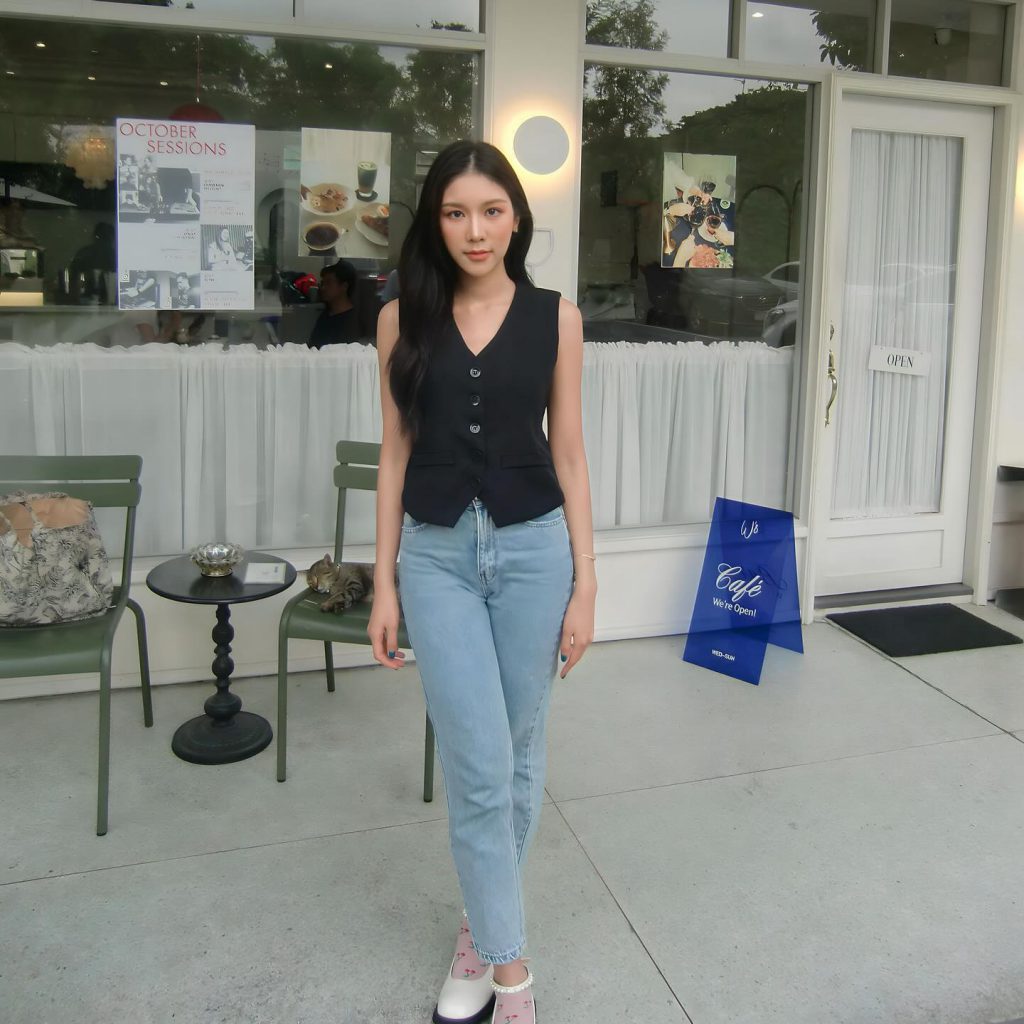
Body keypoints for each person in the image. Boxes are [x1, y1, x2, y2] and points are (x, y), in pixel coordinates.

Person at [368, 140, 596, 1024]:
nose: (475, 230)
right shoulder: (400, 321)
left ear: (516, 219)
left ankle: (479, 933)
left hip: (536, 552)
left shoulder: (556, 318)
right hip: (437, 559)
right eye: (456, 212)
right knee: (478, 764)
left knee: (520, 753)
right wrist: (384, 584)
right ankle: (513, 979)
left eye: (492, 211)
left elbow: (568, 453)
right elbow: (394, 457)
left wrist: (587, 585)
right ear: (435, 222)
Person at [307, 259, 360, 348]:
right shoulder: (325, 316)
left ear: (344, 286)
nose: (323, 288)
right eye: (322, 283)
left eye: (328, 283)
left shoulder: (352, 321)